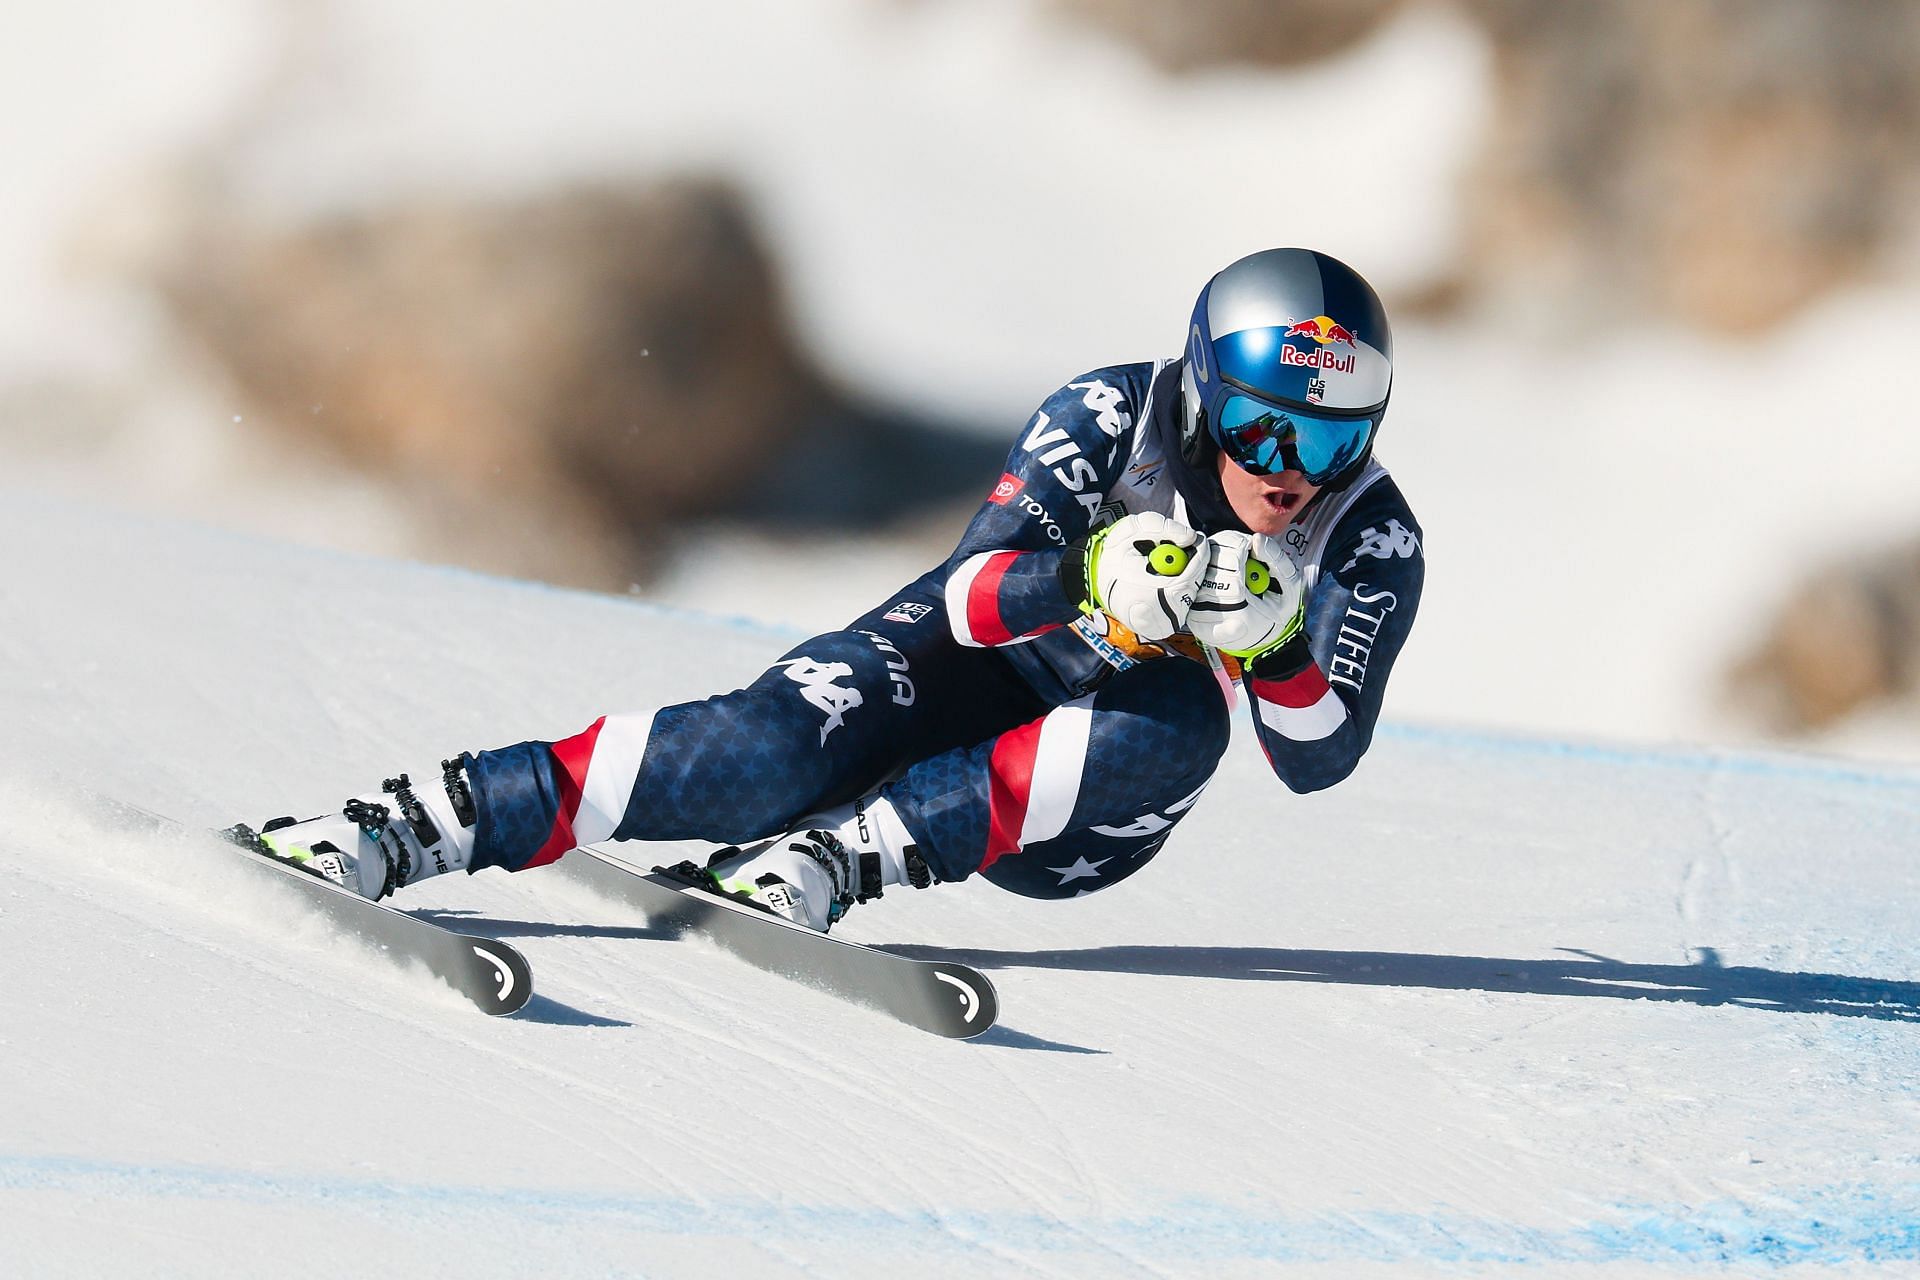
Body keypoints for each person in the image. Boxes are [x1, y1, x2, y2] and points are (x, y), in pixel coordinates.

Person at [245, 248, 1424, 932]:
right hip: (977, 662)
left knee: (1187, 714)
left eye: (1330, 443)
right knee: (773, 747)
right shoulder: (1114, 413)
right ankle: (411, 822)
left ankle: (845, 857)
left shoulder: (1370, 534)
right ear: (1205, 394)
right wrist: (1089, 571)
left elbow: (1319, 756)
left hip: (1077, 807)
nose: (1290, 476)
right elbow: (971, 597)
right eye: (1264, 432)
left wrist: (1275, 648)